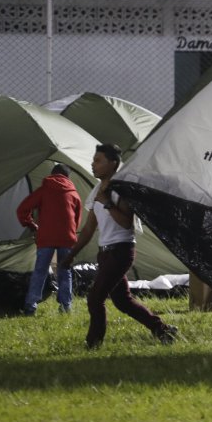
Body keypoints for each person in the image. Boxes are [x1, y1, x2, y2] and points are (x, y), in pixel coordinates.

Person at [60, 144, 178, 348]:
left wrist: (107, 202)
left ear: (113, 163)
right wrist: (71, 255)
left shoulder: (121, 189)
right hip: (105, 253)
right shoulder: (97, 190)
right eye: (93, 160)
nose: (93, 164)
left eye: (98, 161)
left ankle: (93, 344)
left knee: (95, 299)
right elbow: (88, 229)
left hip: (120, 251)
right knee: (122, 301)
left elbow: (125, 223)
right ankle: (162, 329)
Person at [16, 163, 82, 315]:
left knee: (40, 271)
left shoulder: (44, 190)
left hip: (46, 236)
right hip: (67, 237)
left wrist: (31, 225)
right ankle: (66, 306)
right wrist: (70, 232)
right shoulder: (74, 194)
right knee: (65, 271)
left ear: (52, 174)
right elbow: (77, 220)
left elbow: (22, 209)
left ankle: (30, 306)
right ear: (68, 177)